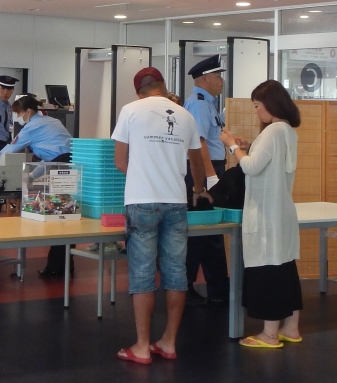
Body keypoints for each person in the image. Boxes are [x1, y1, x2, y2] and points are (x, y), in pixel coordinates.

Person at [111, 66, 209, 364]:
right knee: (176, 273)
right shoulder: (186, 115)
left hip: (141, 200)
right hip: (176, 201)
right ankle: (168, 342)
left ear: (138, 91)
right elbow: (197, 163)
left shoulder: (130, 111)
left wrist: (142, 177)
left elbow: (119, 161)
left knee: (142, 274)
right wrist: (199, 189)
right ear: (164, 86)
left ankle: (142, 346)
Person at [222, 80, 303, 348]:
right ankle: (291, 328)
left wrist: (233, 147)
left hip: (266, 213)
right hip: (282, 212)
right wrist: (247, 147)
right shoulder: (287, 131)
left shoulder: (272, 132)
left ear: (270, 104)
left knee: (269, 272)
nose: (256, 111)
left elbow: (251, 167)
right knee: (286, 269)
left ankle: (269, 334)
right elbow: (265, 160)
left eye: (257, 105)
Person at [0, 94, 74, 277]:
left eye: (19, 113)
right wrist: (32, 176)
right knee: (65, 217)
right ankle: (63, 264)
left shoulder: (30, 128)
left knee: (57, 216)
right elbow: (52, 156)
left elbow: (9, 151)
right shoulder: (53, 121)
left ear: (29, 111)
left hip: (59, 169)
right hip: (71, 166)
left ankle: (56, 266)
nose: (19, 118)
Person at [183, 56, 231, 305]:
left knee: (208, 232)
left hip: (209, 168)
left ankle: (215, 288)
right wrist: (210, 177)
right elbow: (199, 144)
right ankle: (203, 287)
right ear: (204, 79)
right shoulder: (200, 105)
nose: (222, 81)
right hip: (203, 171)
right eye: (218, 76)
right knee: (204, 233)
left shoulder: (207, 103)